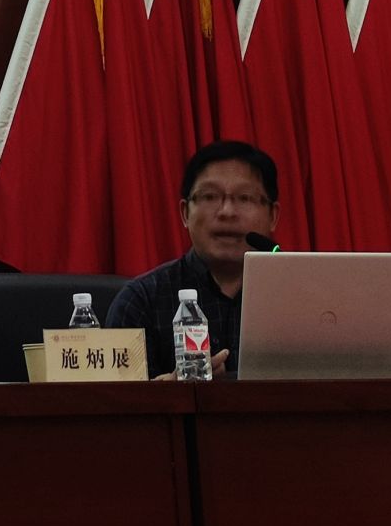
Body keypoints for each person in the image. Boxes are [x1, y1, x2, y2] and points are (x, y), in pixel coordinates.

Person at [106, 139, 281, 379]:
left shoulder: (298, 299)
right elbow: (116, 399)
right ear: (185, 213)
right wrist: (173, 391)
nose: (227, 212)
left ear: (273, 216)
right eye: (209, 196)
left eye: (245, 198)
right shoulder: (141, 302)